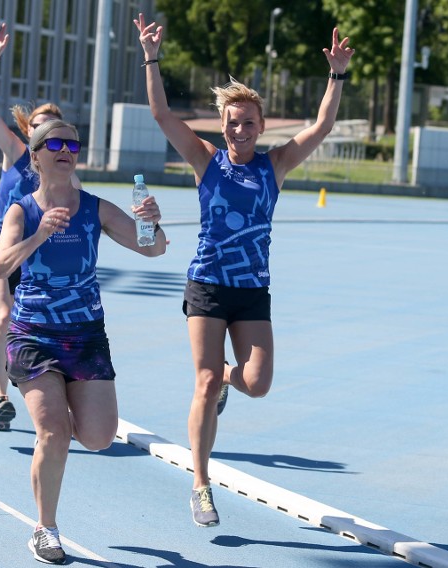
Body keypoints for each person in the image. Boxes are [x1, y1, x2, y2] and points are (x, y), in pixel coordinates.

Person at [134, 13, 355, 527]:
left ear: (260, 125)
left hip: (252, 290)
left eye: (248, 122)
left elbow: (321, 126)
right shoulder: (206, 159)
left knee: (256, 383)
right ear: (224, 124)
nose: (239, 129)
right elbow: (162, 113)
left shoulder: (274, 165)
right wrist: (151, 57)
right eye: (232, 122)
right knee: (205, 382)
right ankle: (201, 484)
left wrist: (336, 75)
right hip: (208, 284)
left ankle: (226, 384)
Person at [0, 119, 166, 564]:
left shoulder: (95, 208)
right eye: (55, 143)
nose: (66, 149)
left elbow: (153, 248)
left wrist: (151, 224)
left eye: (72, 143)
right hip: (34, 334)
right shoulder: (21, 211)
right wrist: (40, 234)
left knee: (100, 436)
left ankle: (67, 405)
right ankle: (45, 529)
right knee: (53, 430)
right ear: (35, 156)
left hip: (85, 334)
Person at [0, 20, 81, 432]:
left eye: (53, 128)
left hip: (32, 259)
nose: (45, 132)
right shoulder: (14, 151)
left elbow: (84, 219)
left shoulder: (66, 172)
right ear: (29, 131)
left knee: (7, 325)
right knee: (2, 317)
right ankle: (0, 398)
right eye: (38, 125)